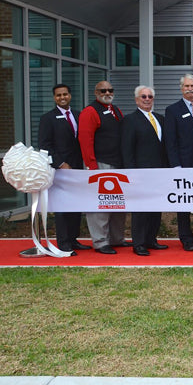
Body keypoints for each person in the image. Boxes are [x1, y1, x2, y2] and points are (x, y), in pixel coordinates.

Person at [78, 80, 129, 254]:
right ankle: (100, 241)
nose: (107, 93)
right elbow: (85, 140)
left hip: (118, 164)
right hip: (101, 164)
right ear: (96, 92)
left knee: (118, 205)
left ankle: (116, 238)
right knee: (101, 205)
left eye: (110, 90)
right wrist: (92, 166)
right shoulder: (90, 112)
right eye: (103, 90)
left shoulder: (115, 110)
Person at [163, 74, 193, 251]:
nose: (190, 89)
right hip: (183, 165)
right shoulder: (172, 110)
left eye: (192, 85)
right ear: (181, 88)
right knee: (184, 202)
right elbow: (170, 141)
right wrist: (175, 165)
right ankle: (186, 237)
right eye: (186, 86)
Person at [38, 84, 88, 253]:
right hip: (60, 169)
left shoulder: (79, 115)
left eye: (65, 94)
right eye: (58, 95)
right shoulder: (48, 118)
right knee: (62, 208)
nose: (62, 97)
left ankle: (74, 240)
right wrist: (60, 163)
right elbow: (45, 145)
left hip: (78, 168)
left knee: (75, 206)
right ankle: (64, 243)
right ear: (54, 98)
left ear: (70, 95)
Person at [122, 86, 168, 256]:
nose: (147, 99)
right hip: (140, 173)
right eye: (143, 97)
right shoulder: (130, 120)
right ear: (136, 100)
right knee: (141, 209)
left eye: (150, 96)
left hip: (159, 172)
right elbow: (127, 149)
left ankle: (151, 239)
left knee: (155, 207)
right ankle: (139, 243)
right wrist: (131, 173)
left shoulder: (160, 119)